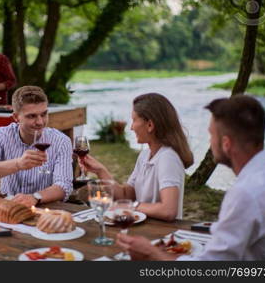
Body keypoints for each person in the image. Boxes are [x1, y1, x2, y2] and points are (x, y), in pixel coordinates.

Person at [117, 95, 265, 260]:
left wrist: (151, 253)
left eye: (211, 135)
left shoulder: (245, 194)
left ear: (226, 144)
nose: (210, 141)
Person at [80, 93, 193, 221]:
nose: (131, 127)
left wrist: (131, 207)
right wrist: (100, 170)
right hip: (144, 228)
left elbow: (168, 210)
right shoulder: (145, 155)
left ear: (150, 125)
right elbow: (126, 195)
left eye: (134, 120)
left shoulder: (168, 158)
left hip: (162, 233)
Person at [0, 86, 73, 207]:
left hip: (46, 210)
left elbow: (64, 185)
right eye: (32, 116)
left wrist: (35, 197)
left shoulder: (61, 141)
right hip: (9, 208)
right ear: (16, 117)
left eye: (44, 114)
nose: (40, 122)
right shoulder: (2, 135)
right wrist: (18, 164)